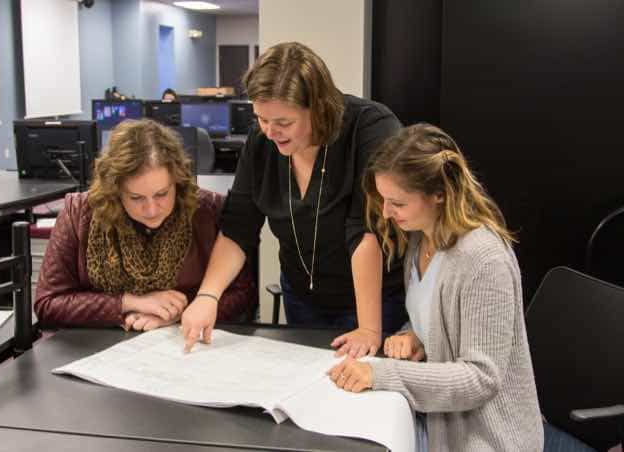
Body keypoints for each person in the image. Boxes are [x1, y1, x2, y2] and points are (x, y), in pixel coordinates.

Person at [181, 41, 407, 356]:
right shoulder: (261, 143)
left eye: (283, 123)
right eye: (261, 119)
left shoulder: (369, 128)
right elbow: (238, 227)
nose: (270, 132)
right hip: (303, 295)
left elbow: (364, 230)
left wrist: (369, 329)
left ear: (317, 105)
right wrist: (208, 295)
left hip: (375, 299)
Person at [328, 123, 544, 451]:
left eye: (397, 202)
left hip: (488, 438)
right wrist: (414, 338)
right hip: (442, 422)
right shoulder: (420, 238)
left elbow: (480, 378)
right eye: (384, 200)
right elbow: (438, 326)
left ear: (438, 194)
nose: (385, 213)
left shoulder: (484, 260)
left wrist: (381, 374)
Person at [35, 119, 256, 330]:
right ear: (115, 189)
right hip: (99, 348)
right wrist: (129, 302)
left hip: (184, 344)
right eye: (136, 198)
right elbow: (48, 304)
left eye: (162, 194)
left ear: (177, 182)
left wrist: (180, 311)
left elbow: (244, 294)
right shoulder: (79, 213)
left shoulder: (207, 211)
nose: (151, 210)